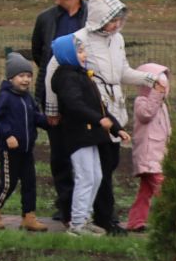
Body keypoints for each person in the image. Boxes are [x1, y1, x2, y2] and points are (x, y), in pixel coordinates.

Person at [47, 0, 159, 233]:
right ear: (98, 17)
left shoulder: (117, 40)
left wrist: (151, 79)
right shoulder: (78, 39)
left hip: (113, 108)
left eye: (119, 18)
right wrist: (52, 108)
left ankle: (98, 217)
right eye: (111, 18)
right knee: (95, 169)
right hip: (91, 109)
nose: (116, 23)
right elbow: (53, 69)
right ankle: (100, 218)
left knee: (108, 165)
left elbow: (122, 72)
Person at [49, 32, 126, 236]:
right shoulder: (66, 78)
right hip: (77, 136)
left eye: (83, 50)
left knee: (96, 176)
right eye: (80, 51)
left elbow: (100, 107)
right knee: (85, 177)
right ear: (68, 55)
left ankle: (85, 217)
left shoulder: (82, 76)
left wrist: (117, 129)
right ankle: (77, 224)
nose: (84, 55)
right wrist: (99, 120)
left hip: (90, 136)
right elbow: (75, 105)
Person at [31, 0, 87, 223]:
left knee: (88, 152)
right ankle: (64, 205)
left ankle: (87, 205)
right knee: (60, 155)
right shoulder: (46, 19)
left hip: (85, 97)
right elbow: (38, 53)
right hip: (54, 96)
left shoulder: (91, 18)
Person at [0, 53, 45, 231]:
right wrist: (8, 135)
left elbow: (35, 117)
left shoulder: (28, 98)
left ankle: (29, 216)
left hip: (26, 149)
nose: (25, 80)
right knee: (9, 183)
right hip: (9, 150)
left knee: (30, 182)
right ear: (11, 78)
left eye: (28, 76)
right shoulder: (5, 97)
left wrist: (50, 122)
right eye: (21, 76)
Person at [125, 62, 172, 233]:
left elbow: (166, 129)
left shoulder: (162, 106)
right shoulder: (142, 102)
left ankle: (135, 221)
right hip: (149, 156)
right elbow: (146, 115)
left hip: (158, 155)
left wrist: (175, 143)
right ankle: (172, 220)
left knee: (145, 191)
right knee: (165, 189)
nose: (163, 89)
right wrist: (155, 95)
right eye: (160, 85)